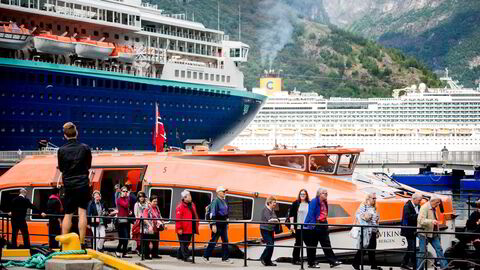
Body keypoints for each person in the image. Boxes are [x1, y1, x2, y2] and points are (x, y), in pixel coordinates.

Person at [57, 122, 92, 245]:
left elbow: (61, 168)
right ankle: (82, 242)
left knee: (68, 214)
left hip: (69, 185)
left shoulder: (61, 150)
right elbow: (88, 165)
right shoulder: (85, 148)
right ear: (76, 133)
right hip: (82, 184)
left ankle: (63, 244)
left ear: (65, 135)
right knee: (82, 212)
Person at [304, 188, 342, 268]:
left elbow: (324, 214)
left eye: (326, 193)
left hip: (323, 225)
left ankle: (332, 261)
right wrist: (313, 225)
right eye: (324, 193)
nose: (326, 194)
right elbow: (311, 214)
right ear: (319, 194)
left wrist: (326, 225)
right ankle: (311, 263)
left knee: (326, 243)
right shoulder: (314, 201)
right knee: (312, 245)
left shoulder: (325, 202)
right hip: (316, 225)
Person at [202, 186, 233, 264]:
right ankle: (205, 256)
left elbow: (226, 212)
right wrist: (213, 224)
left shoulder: (224, 200)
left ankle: (225, 258)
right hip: (217, 223)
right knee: (214, 240)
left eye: (225, 191)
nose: (225, 193)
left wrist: (227, 220)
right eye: (223, 191)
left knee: (225, 241)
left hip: (223, 223)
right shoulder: (215, 201)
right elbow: (213, 213)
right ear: (218, 192)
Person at [417, 196, 448, 270]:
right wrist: (431, 221)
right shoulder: (424, 207)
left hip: (433, 233)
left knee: (439, 249)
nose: (438, 204)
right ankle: (419, 268)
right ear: (432, 201)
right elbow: (420, 220)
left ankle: (445, 267)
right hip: (424, 233)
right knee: (423, 252)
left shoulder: (434, 207)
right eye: (437, 202)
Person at [352, 193, 381, 270]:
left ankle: (373, 266)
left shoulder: (374, 207)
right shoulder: (363, 206)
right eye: (373, 198)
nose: (375, 200)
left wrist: (377, 229)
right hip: (366, 230)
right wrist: (366, 216)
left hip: (373, 230)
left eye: (375, 198)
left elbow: (375, 220)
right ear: (368, 199)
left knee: (372, 248)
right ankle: (355, 263)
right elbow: (358, 216)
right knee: (364, 247)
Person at [400, 193, 423, 270]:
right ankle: (415, 266)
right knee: (412, 247)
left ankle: (404, 263)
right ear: (414, 199)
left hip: (415, 230)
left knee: (411, 247)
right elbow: (408, 217)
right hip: (408, 230)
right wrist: (418, 215)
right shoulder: (407, 206)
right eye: (419, 200)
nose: (420, 202)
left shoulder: (419, 206)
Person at [175, 190, 199, 262]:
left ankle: (179, 255)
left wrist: (197, 222)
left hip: (190, 227)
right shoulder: (180, 207)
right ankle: (186, 257)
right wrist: (179, 229)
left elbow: (195, 214)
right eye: (189, 195)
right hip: (184, 228)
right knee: (184, 243)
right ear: (185, 198)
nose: (191, 197)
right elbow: (178, 219)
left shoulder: (192, 204)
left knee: (186, 243)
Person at [287, 189, 310, 265]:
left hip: (307, 227)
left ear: (306, 195)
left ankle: (310, 260)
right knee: (298, 243)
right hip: (299, 227)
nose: (302, 195)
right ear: (299, 195)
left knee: (309, 243)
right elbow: (292, 215)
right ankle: (295, 259)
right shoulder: (295, 203)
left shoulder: (309, 203)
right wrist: (292, 225)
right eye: (301, 194)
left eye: (304, 194)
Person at [142, 195, 165, 260]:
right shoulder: (147, 208)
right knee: (147, 243)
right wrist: (149, 225)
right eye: (154, 201)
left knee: (156, 241)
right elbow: (145, 218)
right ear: (150, 201)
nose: (155, 203)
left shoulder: (157, 208)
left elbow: (159, 216)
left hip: (156, 227)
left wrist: (162, 222)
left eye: (156, 201)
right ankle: (146, 255)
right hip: (148, 228)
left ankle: (155, 254)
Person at [260, 196, 280, 266]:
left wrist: (275, 219)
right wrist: (275, 220)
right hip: (265, 229)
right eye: (274, 202)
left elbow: (275, 218)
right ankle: (262, 257)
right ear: (269, 203)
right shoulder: (265, 209)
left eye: (275, 202)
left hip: (271, 229)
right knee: (270, 245)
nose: (275, 204)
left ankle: (268, 261)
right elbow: (270, 219)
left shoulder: (272, 210)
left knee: (272, 245)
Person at [116, 186, 132, 258]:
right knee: (124, 237)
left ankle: (120, 251)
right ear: (121, 192)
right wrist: (127, 198)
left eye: (126, 191)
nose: (125, 192)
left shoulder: (126, 199)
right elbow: (125, 205)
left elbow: (127, 208)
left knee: (125, 238)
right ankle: (121, 252)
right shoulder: (119, 199)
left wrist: (129, 212)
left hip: (126, 220)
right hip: (121, 221)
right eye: (124, 191)